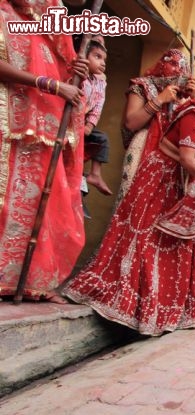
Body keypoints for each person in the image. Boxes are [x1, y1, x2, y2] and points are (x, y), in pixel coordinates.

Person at [64, 79, 195, 335]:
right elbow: (187, 158)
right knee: (148, 236)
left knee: (187, 242)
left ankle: (170, 307)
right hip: (160, 179)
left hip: (185, 186)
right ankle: (139, 305)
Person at [0, 0, 88, 303]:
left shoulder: (48, 32)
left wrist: (73, 74)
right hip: (7, 122)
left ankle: (29, 283)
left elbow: (63, 84)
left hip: (41, 134)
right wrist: (50, 84)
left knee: (39, 207)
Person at [118, 49, 195, 201]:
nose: (178, 70)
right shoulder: (143, 85)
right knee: (133, 200)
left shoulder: (183, 96)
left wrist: (193, 101)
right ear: (162, 63)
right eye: (173, 64)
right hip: (142, 151)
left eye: (182, 66)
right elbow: (131, 123)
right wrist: (160, 99)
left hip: (171, 159)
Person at [82, 39, 112, 196]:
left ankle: (95, 174)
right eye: (97, 56)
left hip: (82, 127)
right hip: (67, 124)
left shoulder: (99, 82)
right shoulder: (77, 75)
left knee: (102, 139)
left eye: (104, 59)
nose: (103, 63)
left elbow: (98, 106)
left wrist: (89, 126)